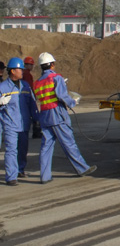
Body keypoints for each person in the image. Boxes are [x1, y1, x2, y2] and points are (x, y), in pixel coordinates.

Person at [33, 52, 96, 183]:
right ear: (51, 65)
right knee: (68, 142)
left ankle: (45, 176)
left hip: (44, 115)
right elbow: (61, 95)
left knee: (46, 147)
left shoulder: (37, 83)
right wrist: (73, 102)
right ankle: (82, 168)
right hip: (57, 114)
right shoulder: (56, 78)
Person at [0, 57, 39, 185]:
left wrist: (36, 119)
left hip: (24, 125)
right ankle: (11, 177)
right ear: (12, 71)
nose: (22, 71)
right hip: (10, 124)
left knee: (23, 149)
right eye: (20, 69)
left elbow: (32, 104)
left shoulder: (25, 86)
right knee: (11, 150)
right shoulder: (3, 87)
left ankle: (20, 169)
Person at [22, 56, 42, 139]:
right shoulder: (27, 74)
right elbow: (29, 87)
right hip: (29, 96)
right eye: (31, 65)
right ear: (27, 65)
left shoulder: (22, 73)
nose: (32, 66)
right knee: (35, 114)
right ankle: (36, 132)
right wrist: (34, 96)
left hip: (23, 97)